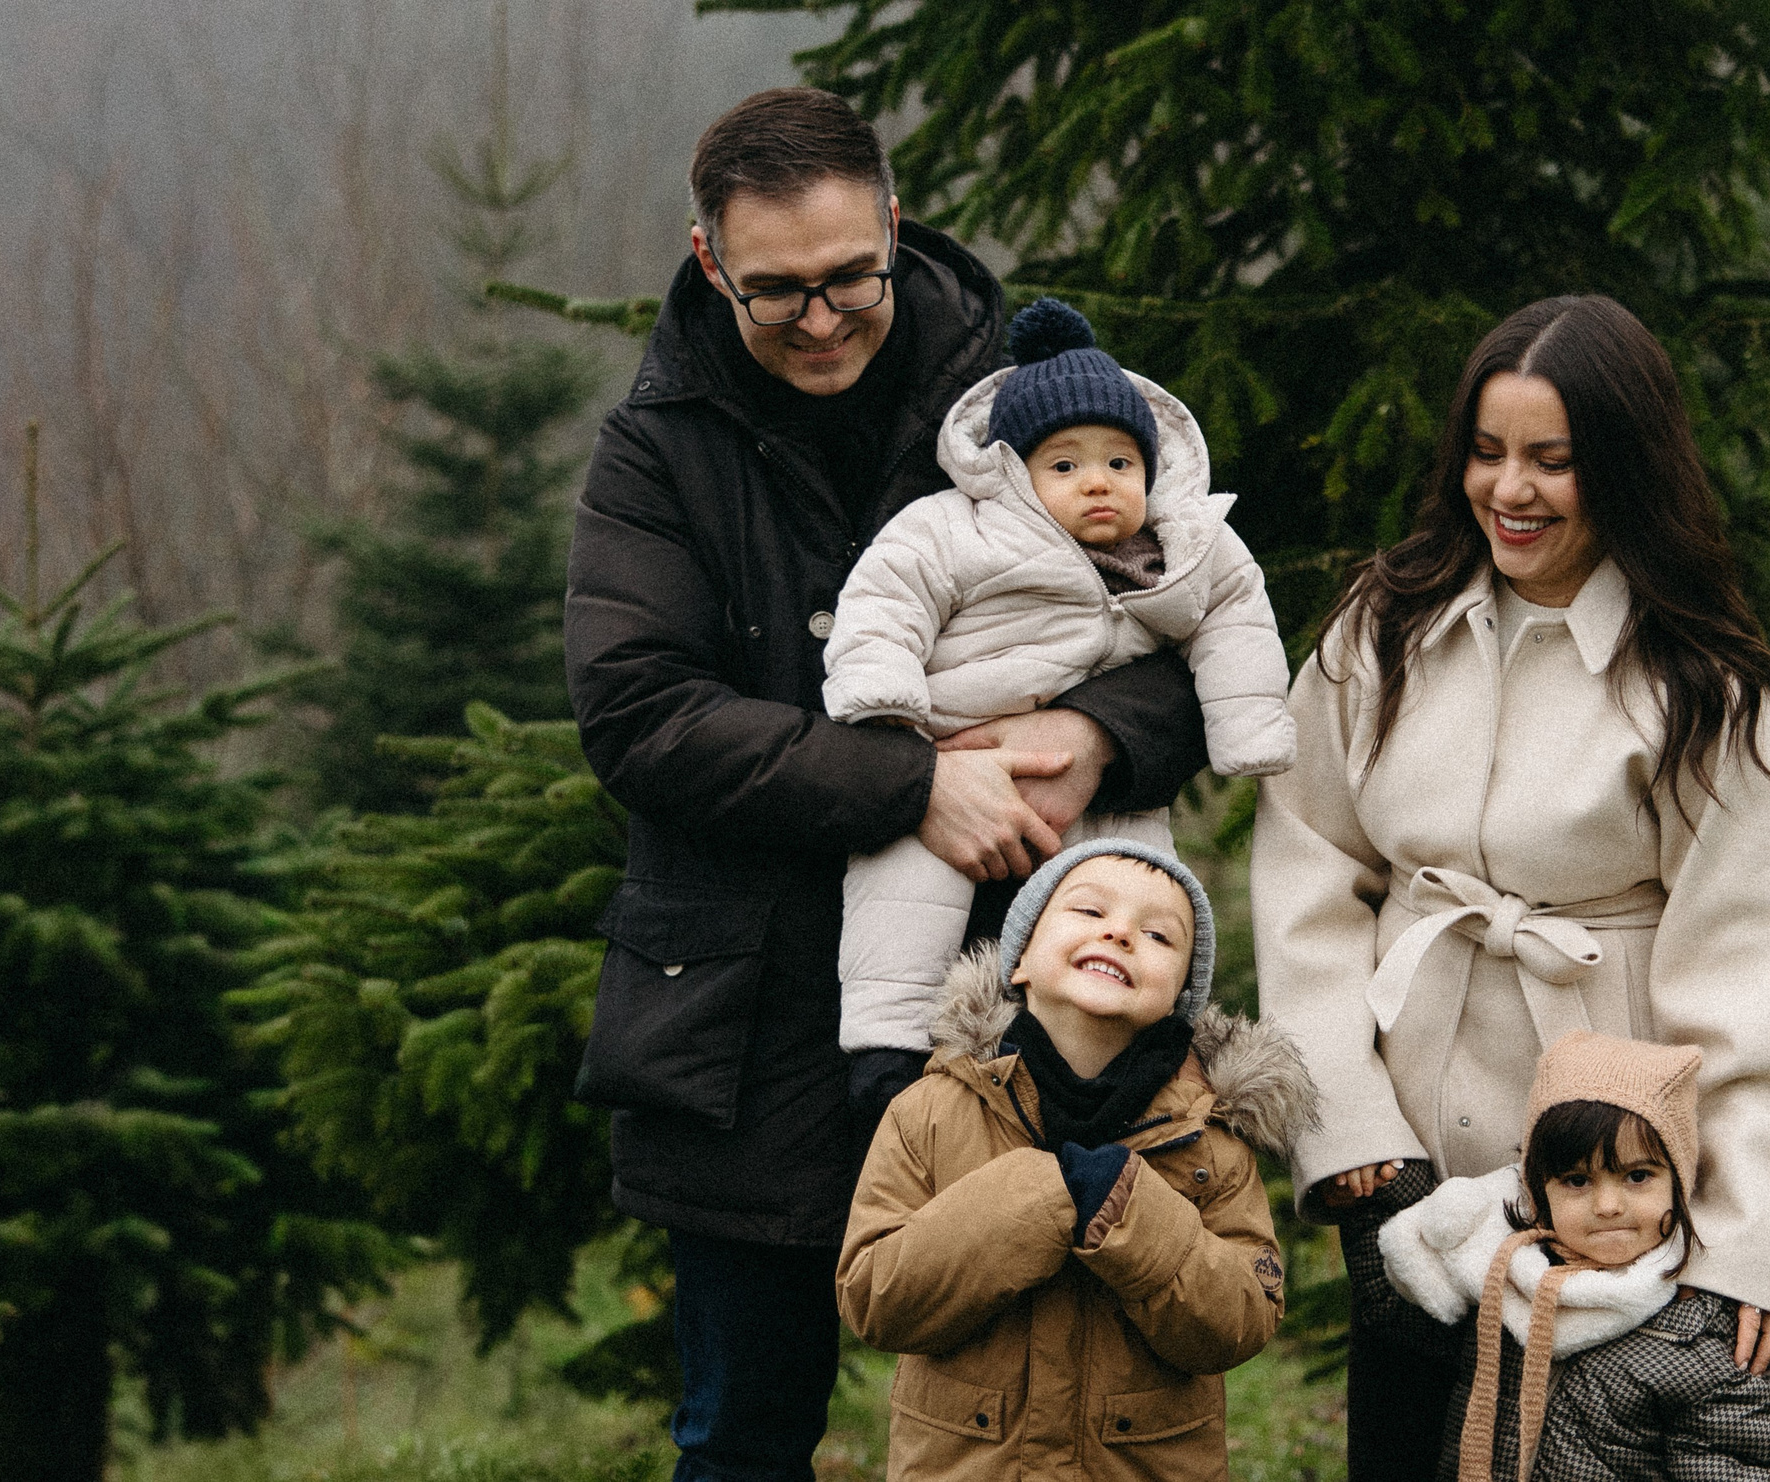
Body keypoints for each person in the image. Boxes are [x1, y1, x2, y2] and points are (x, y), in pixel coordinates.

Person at [563, 88, 1212, 1481]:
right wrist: (905, 786)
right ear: (706, 260)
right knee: (742, 1430)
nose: (820, 318)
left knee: (1045, 1427)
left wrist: (1098, 736)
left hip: (1018, 1007)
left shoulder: (1031, 409)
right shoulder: (657, 446)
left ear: (896, 230)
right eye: (775, 290)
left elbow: (1190, 622)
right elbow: (637, 710)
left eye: (849, 277)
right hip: (739, 1020)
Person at [1249, 294, 1770, 1482]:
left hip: (1608, 1202)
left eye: (1551, 461)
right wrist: (1353, 1138)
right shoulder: (1386, 626)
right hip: (1408, 1182)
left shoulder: (1704, 689)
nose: (1508, 491)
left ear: (1622, 468)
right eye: (1485, 451)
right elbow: (1304, 872)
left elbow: (1763, 982)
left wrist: (1742, 1245)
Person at [823, 296, 1295, 1058]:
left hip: (1102, 787)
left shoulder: (1183, 544)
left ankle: (1144, 1053)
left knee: (1138, 891)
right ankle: (888, 1052)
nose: (1098, 482)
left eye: (1120, 462)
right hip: (951, 755)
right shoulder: (954, 526)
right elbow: (884, 601)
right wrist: (884, 708)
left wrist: (1249, 728)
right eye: (1065, 465)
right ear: (1014, 470)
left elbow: (1239, 615)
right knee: (905, 900)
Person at [838, 839, 1315, 1479]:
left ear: (1180, 996)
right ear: (1020, 961)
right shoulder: (931, 1110)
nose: (1119, 933)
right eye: (1089, 912)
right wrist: (1032, 1197)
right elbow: (873, 1297)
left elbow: (1241, 1320)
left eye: (1158, 935)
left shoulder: (1211, 1138)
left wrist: (1133, 1212)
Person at [1376, 1032, 1770, 1482]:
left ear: (1678, 1183)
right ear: (1540, 1189)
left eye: (1637, 1176)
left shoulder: (1692, 1339)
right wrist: (1383, 1188)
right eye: (1577, 1181)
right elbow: (1397, 1307)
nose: (1607, 1206)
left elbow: (1737, 1464)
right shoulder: (1506, 1283)